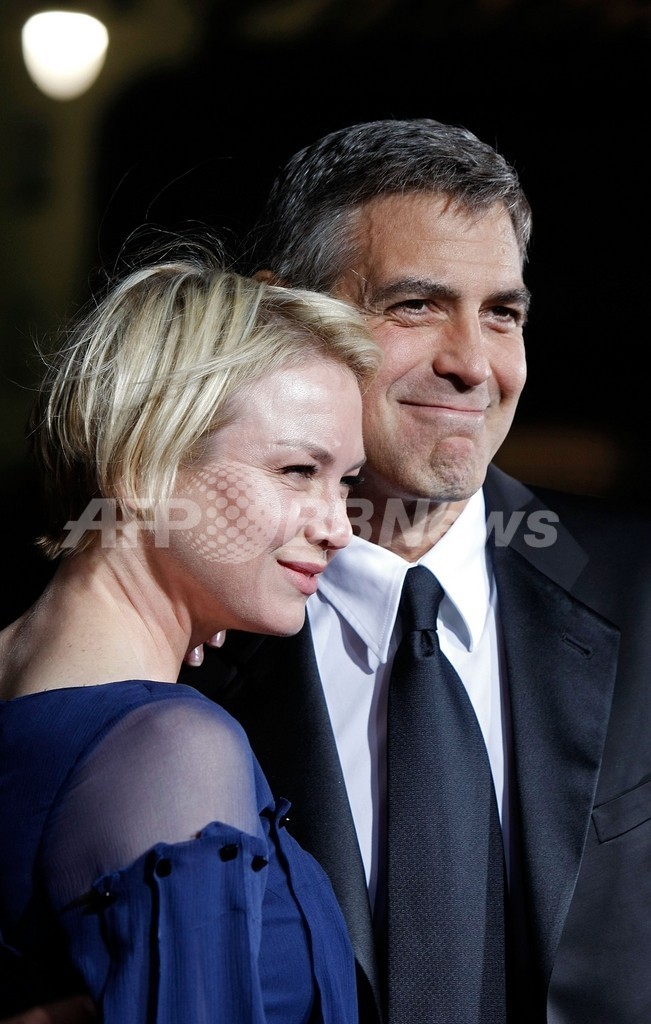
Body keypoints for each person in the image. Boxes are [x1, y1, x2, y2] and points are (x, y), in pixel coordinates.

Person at [180, 118, 651, 1024]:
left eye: (502, 314)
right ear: (281, 320)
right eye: (415, 306)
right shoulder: (178, 631)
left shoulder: (637, 591)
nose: (472, 364)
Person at [0, 253, 382, 1022]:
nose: (339, 528)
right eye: (298, 470)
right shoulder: (170, 748)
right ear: (143, 467)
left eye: (347, 482)